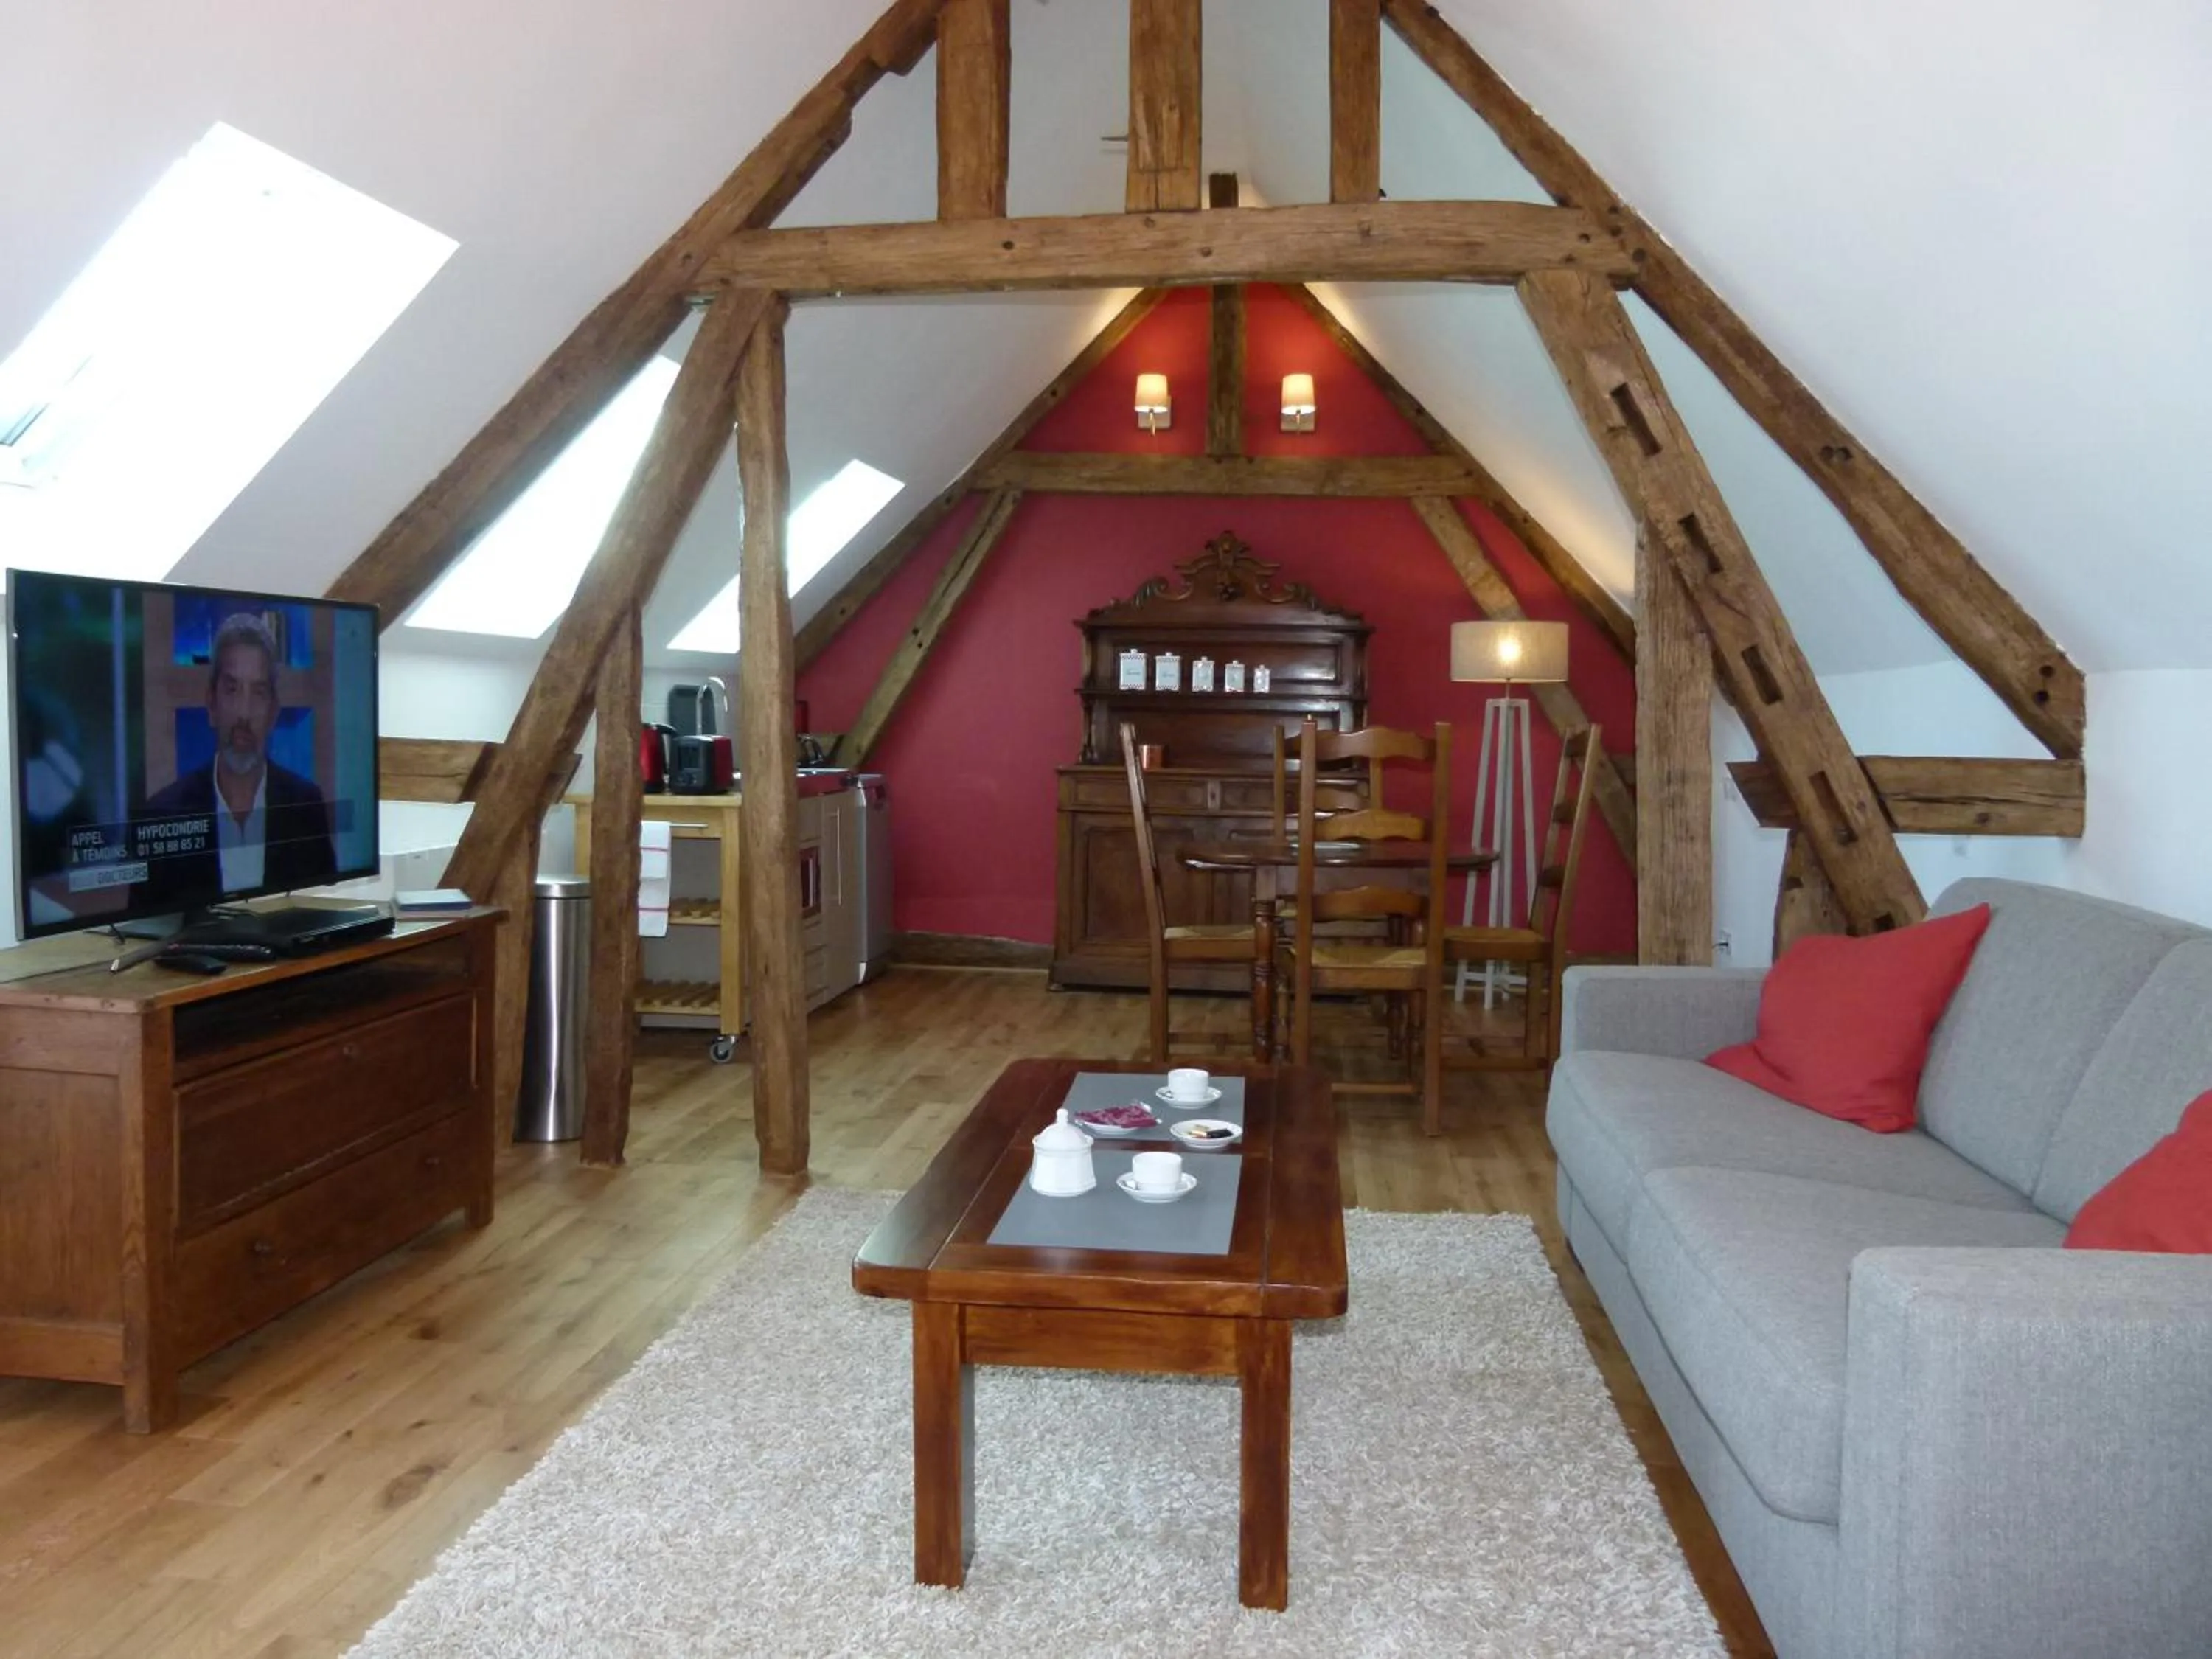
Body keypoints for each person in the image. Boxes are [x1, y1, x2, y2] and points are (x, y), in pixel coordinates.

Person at [142, 613, 337, 903]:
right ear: (211, 704)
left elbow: (321, 909)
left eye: (258, 693)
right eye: (232, 690)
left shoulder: (305, 804)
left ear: (273, 711)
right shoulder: (162, 814)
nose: (244, 713)